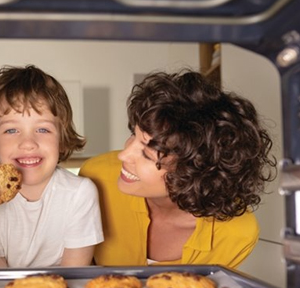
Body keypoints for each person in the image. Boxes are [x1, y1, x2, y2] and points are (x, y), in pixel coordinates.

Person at [79, 69, 276, 267]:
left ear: (195, 173)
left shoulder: (235, 234)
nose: (124, 155)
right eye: (133, 135)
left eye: (147, 155)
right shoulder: (97, 176)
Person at [0, 65, 103, 268]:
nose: (28, 143)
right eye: (11, 130)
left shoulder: (79, 194)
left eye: (43, 129)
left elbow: (73, 276)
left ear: (61, 140)